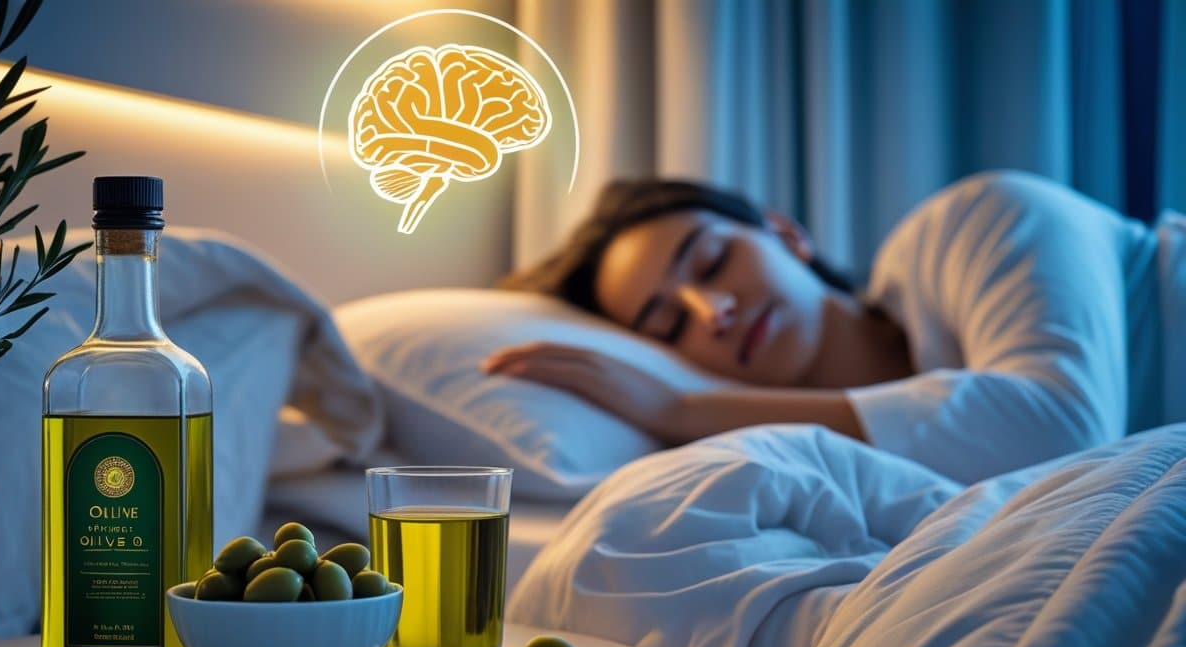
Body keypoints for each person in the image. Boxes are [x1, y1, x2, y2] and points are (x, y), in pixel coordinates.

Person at [483, 171, 1171, 484]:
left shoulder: (978, 222)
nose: (713, 312)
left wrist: (679, 409)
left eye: (714, 261)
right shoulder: (820, 468)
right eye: (668, 325)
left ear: (785, 233)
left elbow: (1062, 431)